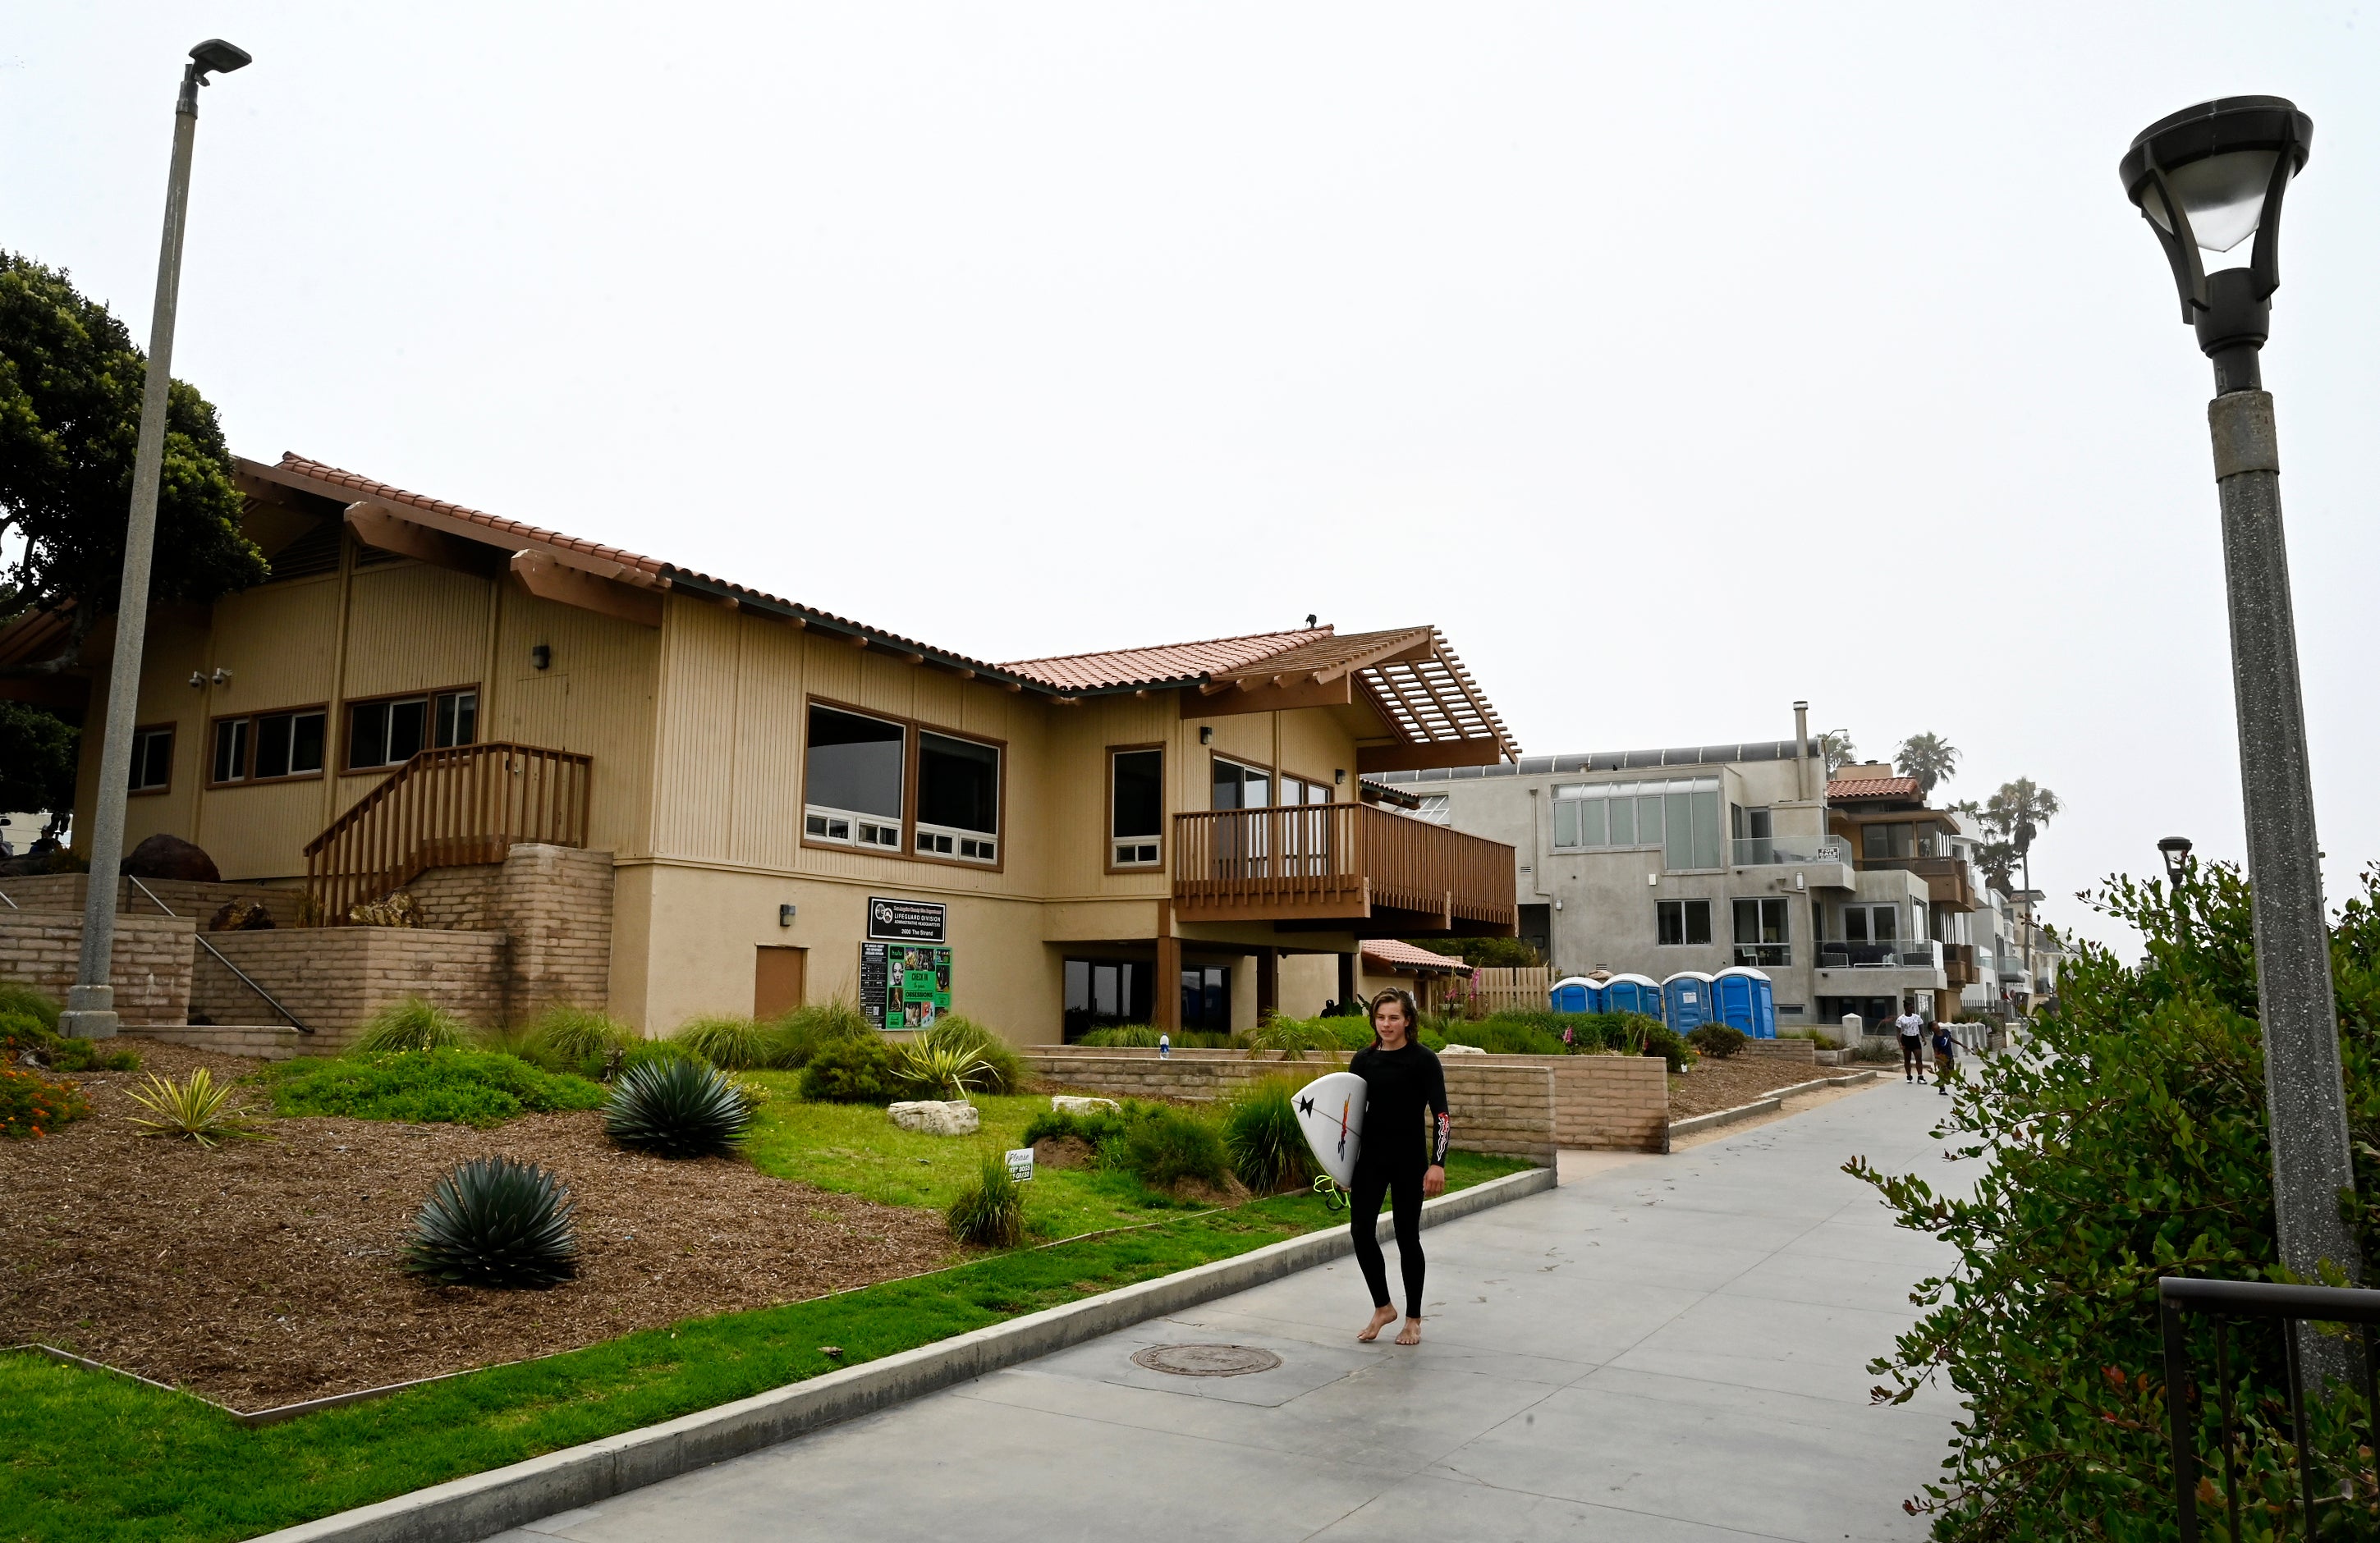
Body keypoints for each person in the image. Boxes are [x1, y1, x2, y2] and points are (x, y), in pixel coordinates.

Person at [1349, 987, 1448, 1347]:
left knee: (1408, 1238)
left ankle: (1413, 1319)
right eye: (1380, 1017)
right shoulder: (1363, 1061)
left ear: (1408, 1020)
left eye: (1394, 1017)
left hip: (1409, 1162)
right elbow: (1351, 1117)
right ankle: (1383, 1306)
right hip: (1371, 1159)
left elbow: (1442, 1116)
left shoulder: (1423, 1060)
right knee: (1361, 1231)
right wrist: (1343, 1165)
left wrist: (1437, 1163)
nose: (1386, 1024)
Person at [1895, 1001, 1927, 1083]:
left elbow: (1921, 1029)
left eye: (1913, 1007)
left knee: (1919, 1058)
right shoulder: (1900, 1019)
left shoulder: (1917, 1017)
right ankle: (1909, 1076)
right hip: (1906, 1039)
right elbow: (1898, 1033)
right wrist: (1900, 1043)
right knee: (1907, 1059)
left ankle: (1920, 1077)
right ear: (1906, 1008)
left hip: (1915, 1038)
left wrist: (1924, 1038)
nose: (1912, 1009)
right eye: (1910, 1007)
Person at [1932, 1021, 1957, 1096]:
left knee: (1951, 1072)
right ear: (1932, 1029)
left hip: (1950, 1056)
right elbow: (1935, 1050)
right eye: (1935, 1025)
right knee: (1942, 1072)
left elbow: (1951, 1039)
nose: (1937, 1026)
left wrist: (1961, 1044)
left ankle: (1941, 1080)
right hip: (1942, 1058)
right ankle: (1942, 1089)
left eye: (1937, 1024)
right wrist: (1937, 1059)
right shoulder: (1935, 1039)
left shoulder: (1945, 1031)